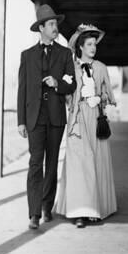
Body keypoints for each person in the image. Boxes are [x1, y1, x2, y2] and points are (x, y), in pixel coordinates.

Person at [17, 4, 77, 230]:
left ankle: (46, 207)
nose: (55, 28)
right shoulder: (27, 56)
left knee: (51, 164)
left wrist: (57, 83)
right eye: (51, 24)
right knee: (35, 163)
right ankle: (33, 214)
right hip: (33, 117)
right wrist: (21, 120)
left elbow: (71, 83)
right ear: (41, 28)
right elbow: (22, 89)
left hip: (55, 116)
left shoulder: (64, 54)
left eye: (55, 24)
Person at [53, 23, 117, 228]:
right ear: (80, 46)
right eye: (89, 44)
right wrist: (72, 95)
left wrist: (99, 99)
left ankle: (94, 209)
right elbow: (65, 95)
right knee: (79, 164)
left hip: (95, 118)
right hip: (77, 120)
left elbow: (107, 94)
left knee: (96, 162)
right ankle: (79, 212)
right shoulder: (70, 67)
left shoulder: (101, 68)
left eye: (94, 44)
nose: (93, 48)